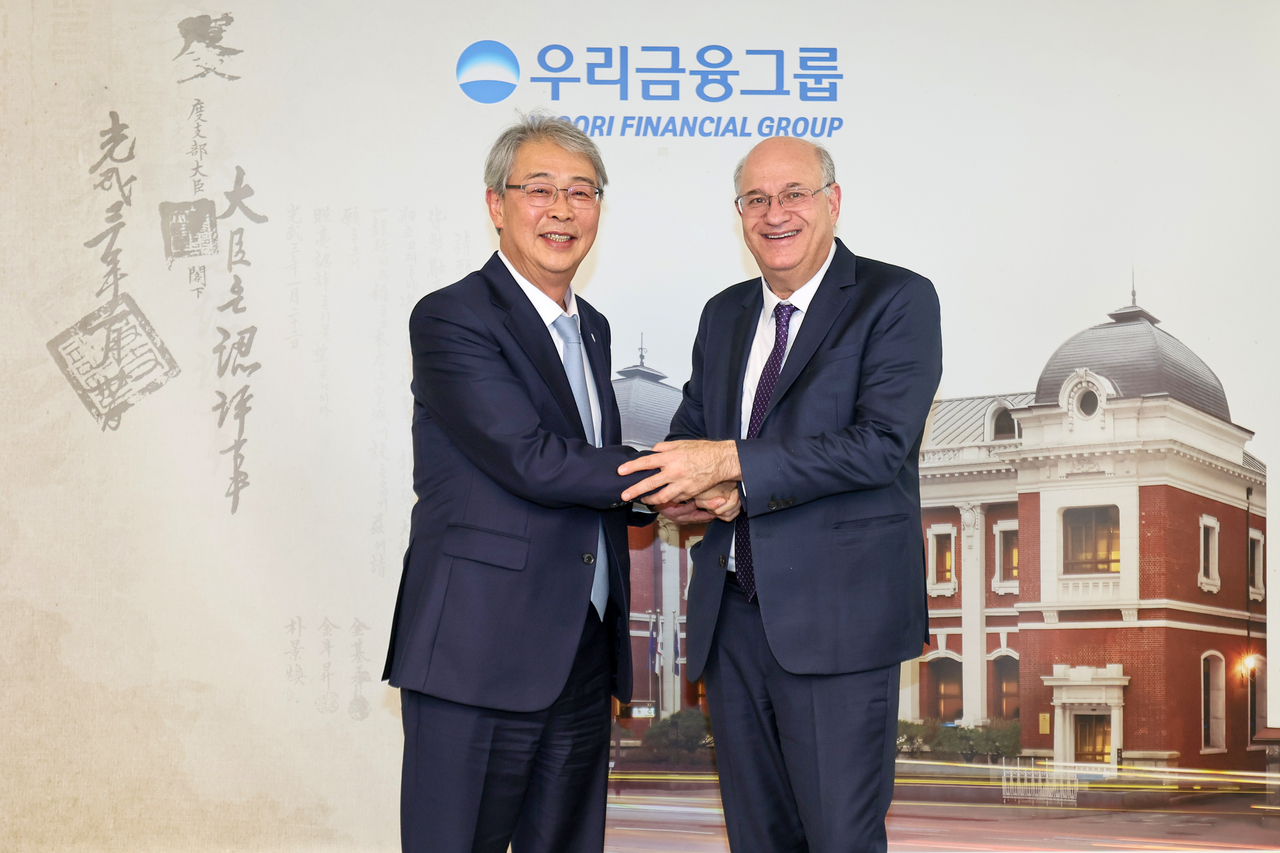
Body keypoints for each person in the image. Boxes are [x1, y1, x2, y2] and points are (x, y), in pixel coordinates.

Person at [618, 136, 943, 853]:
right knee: (757, 839)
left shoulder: (897, 299)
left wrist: (732, 467)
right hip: (732, 619)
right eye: (756, 199)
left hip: (839, 622)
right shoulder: (724, 313)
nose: (775, 214)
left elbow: (878, 444)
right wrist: (683, 492)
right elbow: (690, 441)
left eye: (793, 193)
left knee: (838, 839)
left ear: (832, 201)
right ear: (740, 214)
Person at [382, 113, 653, 853]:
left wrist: (666, 490)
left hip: (579, 652)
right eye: (539, 189)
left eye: (581, 191)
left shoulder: (590, 326)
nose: (561, 210)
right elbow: (531, 458)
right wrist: (666, 474)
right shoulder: (452, 316)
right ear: (496, 205)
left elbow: (588, 481)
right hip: (477, 652)